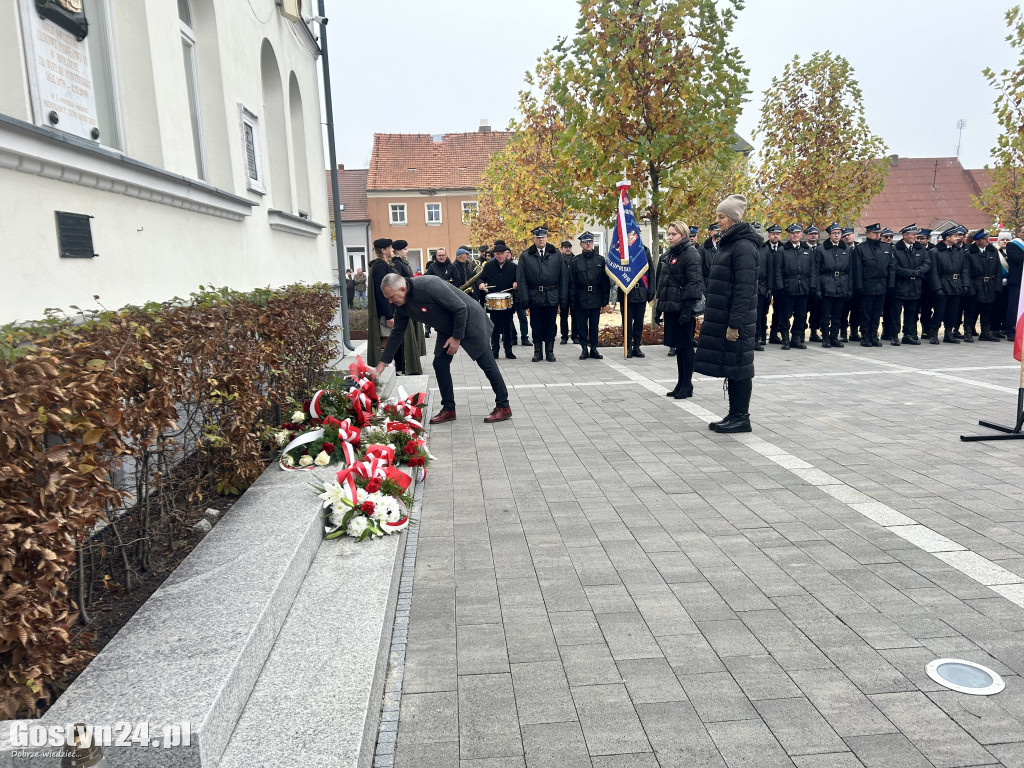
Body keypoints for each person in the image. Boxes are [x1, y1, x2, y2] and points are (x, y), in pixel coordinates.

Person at [375, 273, 512, 424]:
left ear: (402, 289)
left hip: (469, 320)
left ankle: (503, 406)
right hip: (447, 327)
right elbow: (397, 333)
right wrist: (381, 365)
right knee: (440, 364)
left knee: (486, 363)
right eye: (387, 298)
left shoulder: (428, 285)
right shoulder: (402, 304)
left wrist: (456, 338)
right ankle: (448, 409)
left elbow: (461, 308)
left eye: (391, 297)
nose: (390, 301)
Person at [695, 194, 759, 434]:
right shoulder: (730, 242)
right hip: (726, 315)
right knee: (732, 366)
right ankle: (735, 414)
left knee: (740, 367)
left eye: (721, 216)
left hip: (736, 320)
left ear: (733, 218)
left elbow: (744, 289)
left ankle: (742, 417)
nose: (717, 221)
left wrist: (735, 324)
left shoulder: (743, 246)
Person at [656, 221, 704, 398]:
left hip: (683, 308)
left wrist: (687, 309)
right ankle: (680, 383)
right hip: (671, 307)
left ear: (683, 235)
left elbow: (694, 283)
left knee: (686, 347)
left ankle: (687, 385)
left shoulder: (691, 253)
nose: (669, 237)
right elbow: (664, 283)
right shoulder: (670, 254)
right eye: (669, 234)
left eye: (673, 234)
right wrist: (658, 309)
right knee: (678, 347)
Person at [517, 226, 568, 362]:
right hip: (534, 296)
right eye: (538, 237)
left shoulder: (556, 254)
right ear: (534, 239)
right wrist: (524, 299)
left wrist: (563, 297)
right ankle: (538, 352)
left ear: (547, 237)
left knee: (551, 325)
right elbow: (521, 279)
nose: (541, 239)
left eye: (543, 237)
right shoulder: (526, 255)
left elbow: (563, 278)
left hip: (551, 295)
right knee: (536, 325)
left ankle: (549, 352)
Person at [928, 226, 973, 344]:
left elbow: (964, 269)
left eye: (958, 236)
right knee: (939, 310)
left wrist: (965, 284)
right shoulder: (936, 252)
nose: (958, 238)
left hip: (956, 284)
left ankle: (949, 333)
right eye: (955, 236)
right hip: (943, 283)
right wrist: (937, 287)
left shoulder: (959, 251)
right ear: (947, 237)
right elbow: (933, 272)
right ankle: (934, 333)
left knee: (953, 311)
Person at [774, 223, 816, 350]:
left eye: (797, 233)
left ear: (801, 234)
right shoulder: (782, 250)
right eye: (793, 233)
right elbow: (778, 271)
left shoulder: (807, 250)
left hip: (803, 287)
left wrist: (812, 286)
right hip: (788, 287)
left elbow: (812, 270)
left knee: (801, 315)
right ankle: (785, 339)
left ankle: (796, 338)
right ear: (789, 235)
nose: (795, 235)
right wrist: (780, 287)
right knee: (785, 315)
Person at [570, 231, 610, 360]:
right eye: (586, 242)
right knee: (582, 324)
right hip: (581, 296)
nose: (588, 244)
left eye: (591, 241)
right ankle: (583, 348)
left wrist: (605, 298)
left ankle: (593, 348)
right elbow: (572, 282)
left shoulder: (600, 260)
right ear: (581, 244)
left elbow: (605, 281)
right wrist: (572, 299)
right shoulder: (575, 261)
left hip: (596, 296)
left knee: (594, 324)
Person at [890, 224, 930, 345]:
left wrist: (918, 272)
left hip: (915, 286)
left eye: (916, 235)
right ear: (904, 235)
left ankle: (908, 334)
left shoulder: (920, 249)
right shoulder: (895, 249)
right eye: (912, 235)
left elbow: (927, 263)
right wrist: (911, 272)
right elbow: (894, 268)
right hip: (900, 286)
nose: (915, 237)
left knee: (911, 312)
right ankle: (894, 335)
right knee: (896, 313)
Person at [853, 223, 892, 347]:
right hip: (867, 284)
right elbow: (857, 269)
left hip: (881, 284)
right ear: (868, 234)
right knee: (866, 312)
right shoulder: (861, 248)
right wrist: (858, 286)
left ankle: (874, 334)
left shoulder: (885, 247)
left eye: (878, 233)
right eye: (874, 233)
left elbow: (891, 267)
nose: (877, 235)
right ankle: (865, 335)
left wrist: (890, 284)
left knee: (877, 312)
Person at [478, 239, 518, 359]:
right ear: (494, 255)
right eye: (498, 254)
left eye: (502, 254)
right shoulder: (489, 266)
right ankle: (494, 351)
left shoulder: (513, 267)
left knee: (508, 327)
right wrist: (481, 284)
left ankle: (508, 350)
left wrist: (516, 283)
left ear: (506, 254)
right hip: (493, 302)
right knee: (494, 327)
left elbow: (518, 278)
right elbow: (481, 278)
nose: (500, 256)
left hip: (507, 301)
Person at [816, 223, 852, 348]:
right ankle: (825, 337)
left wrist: (849, 288)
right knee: (826, 313)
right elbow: (816, 270)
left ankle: (834, 337)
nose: (837, 235)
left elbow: (850, 270)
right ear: (830, 235)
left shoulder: (846, 249)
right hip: (827, 284)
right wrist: (818, 288)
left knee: (838, 314)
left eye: (839, 233)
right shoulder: (821, 249)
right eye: (834, 233)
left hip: (842, 284)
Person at [392, 240, 426, 372]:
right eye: (405, 249)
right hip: (403, 302)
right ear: (398, 251)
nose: (407, 251)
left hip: (408, 301)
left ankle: (408, 363)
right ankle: (404, 365)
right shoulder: (397, 264)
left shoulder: (401, 263)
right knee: (405, 336)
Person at [366, 238, 400, 369]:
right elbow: (382, 293)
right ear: (383, 250)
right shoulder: (380, 267)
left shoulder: (384, 265)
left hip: (388, 310)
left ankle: (388, 368)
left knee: (389, 340)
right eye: (390, 248)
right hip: (385, 312)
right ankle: (385, 369)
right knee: (386, 340)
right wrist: (389, 315)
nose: (393, 250)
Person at [966, 229, 1002, 341]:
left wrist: (997, 286)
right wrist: (969, 287)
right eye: (984, 239)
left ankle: (985, 332)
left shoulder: (993, 250)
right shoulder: (969, 252)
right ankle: (968, 332)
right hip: (976, 283)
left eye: (987, 238)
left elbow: (998, 269)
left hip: (990, 284)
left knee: (987, 309)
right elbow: (966, 272)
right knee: (971, 310)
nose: (987, 240)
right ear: (977, 241)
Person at [756, 224, 781, 350]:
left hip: (762, 287)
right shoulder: (746, 247)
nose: (757, 233)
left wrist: (769, 288)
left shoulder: (764, 249)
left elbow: (770, 271)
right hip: (749, 286)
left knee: (761, 314)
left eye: (758, 231)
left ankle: (758, 337)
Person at [1003, 225, 1024, 341]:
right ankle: (1010, 331)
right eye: (1023, 232)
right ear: (1018, 233)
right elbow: (1018, 259)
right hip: (1016, 281)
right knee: (1013, 307)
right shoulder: (1012, 245)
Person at [558, 240, 578, 345]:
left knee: (575, 315)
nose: (567, 249)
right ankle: (564, 336)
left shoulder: (575, 260)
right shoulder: (558, 261)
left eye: (569, 247)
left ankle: (575, 336)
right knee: (563, 316)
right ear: (561, 249)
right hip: (563, 292)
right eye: (565, 247)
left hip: (574, 292)